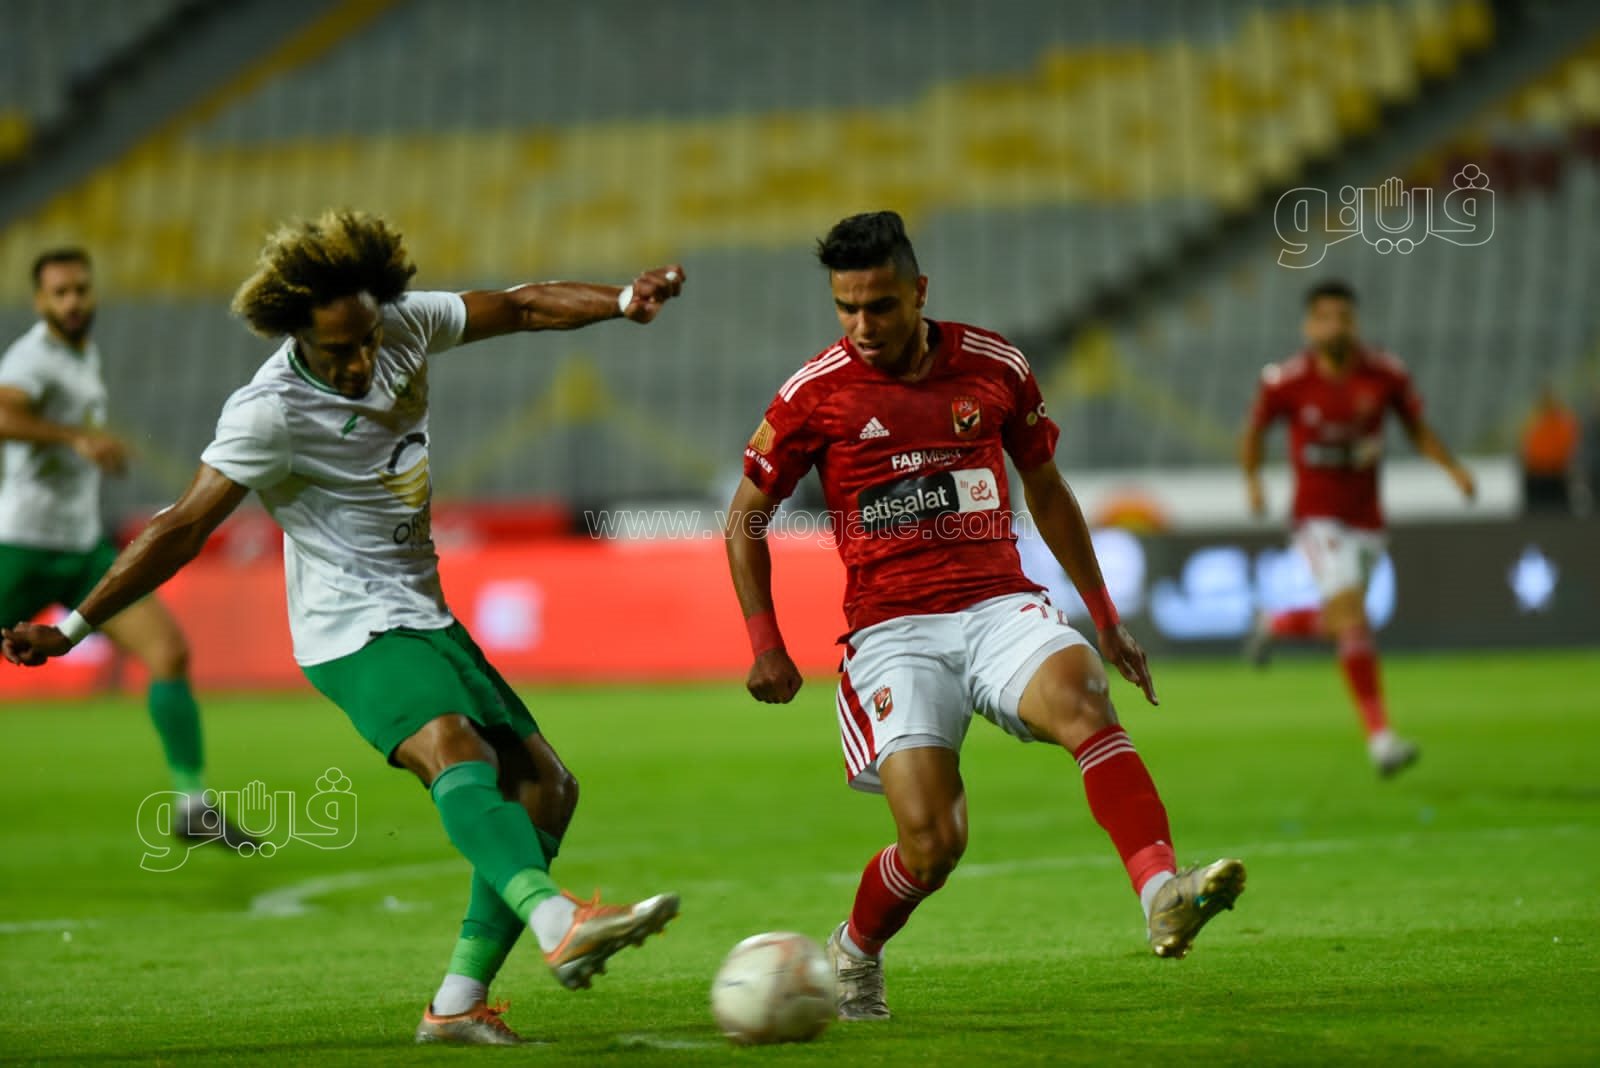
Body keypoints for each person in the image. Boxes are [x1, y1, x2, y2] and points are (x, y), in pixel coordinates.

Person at [2, 212, 685, 1046]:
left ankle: (457, 1005)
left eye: (366, 340)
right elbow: (182, 528)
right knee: (455, 748)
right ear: (297, 335)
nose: (362, 362)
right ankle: (557, 922)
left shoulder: (402, 323)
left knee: (548, 791)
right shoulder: (268, 414)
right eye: (339, 351)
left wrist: (621, 300)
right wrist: (74, 627)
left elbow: (520, 305)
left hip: (423, 611)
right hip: (348, 627)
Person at [724, 211, 1244, 1022]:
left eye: (880, 306)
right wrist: (766, 643)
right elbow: (745, 518)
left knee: (1083, 696)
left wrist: (1104, 617)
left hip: (999, 602)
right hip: (893, 631)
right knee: (934, 845)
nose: (863, 326)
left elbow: (1047, 489)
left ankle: (1161, 893)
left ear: (919, 292)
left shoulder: (995, 366)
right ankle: (854, 950)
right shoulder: (813, 394)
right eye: (846, 308)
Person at [0, 248, 253, 848]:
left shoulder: (81, 356)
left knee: (167, 652)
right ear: (39, 301)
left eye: (80, 289)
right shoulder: (32, 358)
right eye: (60, 292)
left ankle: (192, 806)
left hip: (81, 549)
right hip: (22, 546)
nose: (73, 302)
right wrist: (76, 438)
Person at [1241, 279, 1476, 778]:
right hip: (1316, 517)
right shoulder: (1286, 381)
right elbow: (1255, 431)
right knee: (1352, 617)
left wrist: (1453, 469)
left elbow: (1416, 429)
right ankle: (1381, 739)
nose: (1335, 326)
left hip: (1367, 519)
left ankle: (1276, 624)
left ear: (1356, 323)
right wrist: (1254, 481)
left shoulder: (1385, 375)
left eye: (1343, 317)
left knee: (1344, 623)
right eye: (1324, 318)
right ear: (1309, 326)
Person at [1518, 384, 1579, 515]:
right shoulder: (1534, 421)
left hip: (1556, 475)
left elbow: (1568, 448)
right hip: (1537, 475)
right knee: (1538, 514)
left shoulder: (1562, 422)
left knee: (1558, 514)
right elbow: (1525, 448)